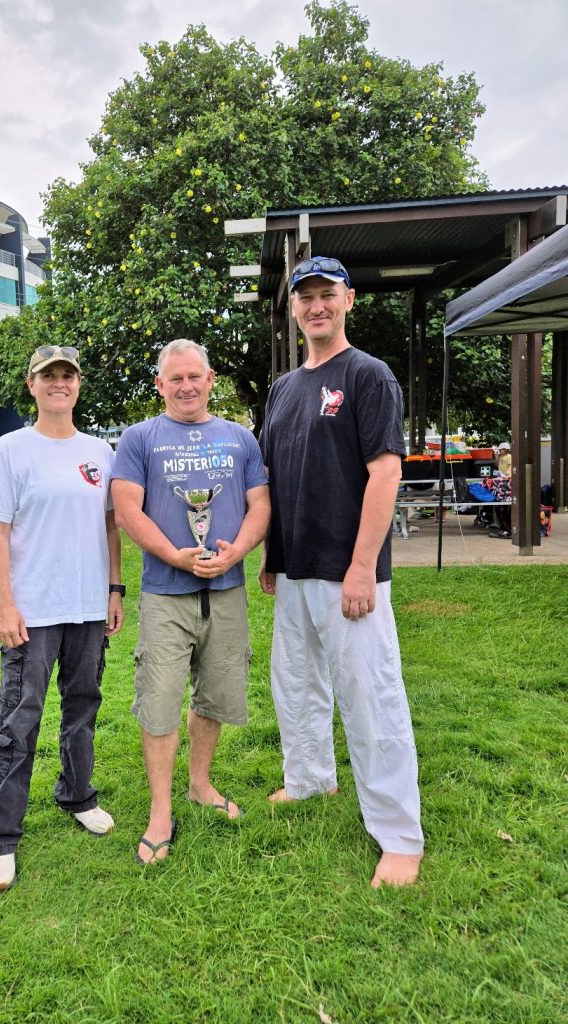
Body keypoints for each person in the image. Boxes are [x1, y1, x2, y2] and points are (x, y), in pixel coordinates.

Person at [259, 257, 424, 888]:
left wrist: (361, 568)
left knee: (370, 698)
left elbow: (385, 474)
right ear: (294, 309)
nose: (316, 306)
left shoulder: (367, 375)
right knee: (296, 685)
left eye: (327, 294)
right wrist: (271, 555)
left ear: (348, 300)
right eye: (305, 297)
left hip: (348, 572)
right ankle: (309, 780)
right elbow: (276, 477)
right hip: (294, 568)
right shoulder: (282, 389)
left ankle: (399, 837)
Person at [112, 339, 270, 865]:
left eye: (194, 376)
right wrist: (173, 556)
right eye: (175, 378)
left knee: (216, 694)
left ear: (210, 379)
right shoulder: (139, 438)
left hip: (226, 590)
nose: (186, 386)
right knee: (160, 700)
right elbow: (126, 510)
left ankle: (200, 784)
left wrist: (237, 552)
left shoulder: (240, 438)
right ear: (160, 384)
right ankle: (161, 810)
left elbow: (260, 505)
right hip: (166, 593)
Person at [0, 344, 125, 892]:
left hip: (87, 605)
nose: (59, 383)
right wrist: (5, 605)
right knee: (19, 719)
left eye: (68, 375)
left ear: (78, 384)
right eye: (48, 376)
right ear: (32, 385)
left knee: (82, 708)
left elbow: (110, 526)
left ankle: (78, 795)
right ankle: (1, 836)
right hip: (33, 610)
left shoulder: (99, 450)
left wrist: (114, 589)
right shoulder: (12, 449)